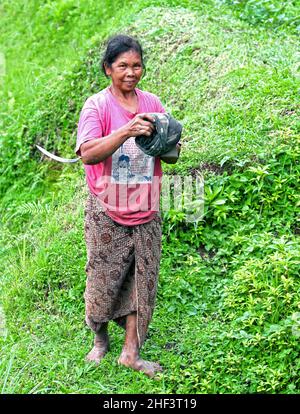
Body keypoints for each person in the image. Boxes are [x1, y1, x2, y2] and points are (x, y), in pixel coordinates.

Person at [75, 34, 181, 378]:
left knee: (142, 280)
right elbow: (88, 153)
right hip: (107, 208)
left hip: (146, 208)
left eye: (136, 66)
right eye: (122, 66)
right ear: (108, 69)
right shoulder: (97, 106)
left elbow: (172, 154)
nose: (130, 72)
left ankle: (131, 353)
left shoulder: (151, 101)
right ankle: (100, 339)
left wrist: (167, 138)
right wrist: (126, 131)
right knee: (103, 280)